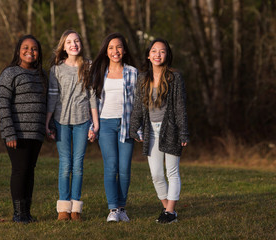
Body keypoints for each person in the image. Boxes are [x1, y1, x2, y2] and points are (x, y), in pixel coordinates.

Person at [130, 38, 189, 224]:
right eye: (154, 51)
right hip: (150, 131)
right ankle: (166, 208)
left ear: (167, 55)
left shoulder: (174, 78)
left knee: (172, 171)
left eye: (162, 51)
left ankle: (170, 212)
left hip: (170, 129)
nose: (158, 54)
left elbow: (180, 107)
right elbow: (138, 106)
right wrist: (133, 127)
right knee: (156, 174)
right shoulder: (142, 78)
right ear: (148, 55)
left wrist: (183, 132)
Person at [46, 30, 99, 221]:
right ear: (64, 46)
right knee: (65, 164)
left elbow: (93, 95)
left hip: (83, 121)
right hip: (61, 121)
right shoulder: (56, 69)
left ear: (80, 44)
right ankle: (63, 208)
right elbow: (52, 96)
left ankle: (75, 208)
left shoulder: (89, 66)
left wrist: (95, 123)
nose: (73, 44)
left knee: (78, 165)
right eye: (69, 42)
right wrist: (47, 121)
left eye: (76, 41)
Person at [0, 35, 48, 223]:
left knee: (30, 170)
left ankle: (26, 212)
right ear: (18, 50)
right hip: (16, 133)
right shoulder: (10, 73)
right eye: (26, 47)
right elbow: (3, 104)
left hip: (36, 133)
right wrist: (9, 132)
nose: (30, 51)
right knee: (20, 170)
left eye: (34, 48)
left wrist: (47, 128)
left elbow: (46, 102)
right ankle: (18, 214)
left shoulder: (42, 74)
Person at [90, 33, 139, 222]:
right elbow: (92, 102)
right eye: (111, 48)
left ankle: (122, 208)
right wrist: (92, 126)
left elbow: (138, 104)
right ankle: (112, 210)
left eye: (118, 47)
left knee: (125, 168)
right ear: (106, 51)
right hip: (106, 124)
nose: (115, 51)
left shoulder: (133, 73)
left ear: (124, 50)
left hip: (126, 124)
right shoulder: (99, 72)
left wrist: (138, 128)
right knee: (111, 167)